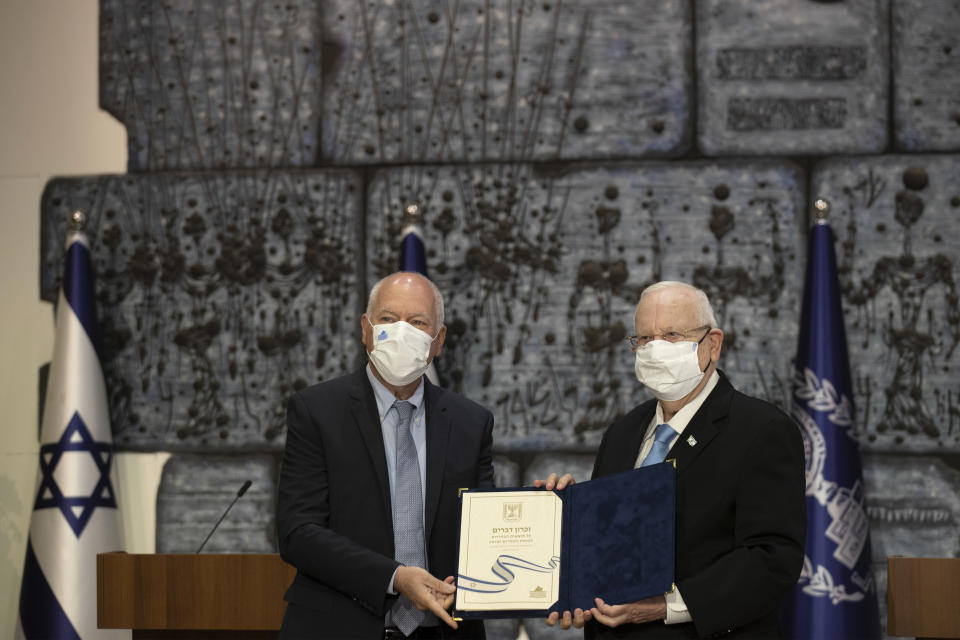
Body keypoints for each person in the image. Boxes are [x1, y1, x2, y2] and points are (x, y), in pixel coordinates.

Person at [547, 280, 806, 638]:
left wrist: (665, 606)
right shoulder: (621, 433)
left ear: (712, 344)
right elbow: (607, 547)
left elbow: (772, 558)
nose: (655, 350)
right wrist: (568, 512)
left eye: (671, 335)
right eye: (644, 339)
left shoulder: (763, 430)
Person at [276, 272, 493, 639]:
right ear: (366, 329)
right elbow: (298, 532)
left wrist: (543, 502)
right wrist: (394, 577)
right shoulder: (316, 411)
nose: (401, 332)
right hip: (338, 628)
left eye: (418, 322)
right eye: (388, 320)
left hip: (442, 630)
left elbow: (485, 530)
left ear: (437, 340)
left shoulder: (471, 422)